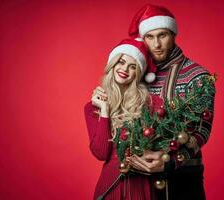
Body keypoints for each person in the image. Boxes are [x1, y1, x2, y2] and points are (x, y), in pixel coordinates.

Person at [126, 4, 216, 200]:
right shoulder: (137, 75)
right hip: (139, 179)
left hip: (183, 180)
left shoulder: (198, 76)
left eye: (162, 35)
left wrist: (171, 160)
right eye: (150, 37)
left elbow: (202, 130)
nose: (156, 44)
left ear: (173, 34)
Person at [84, 38, 156, 200]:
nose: (125, 69)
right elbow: (101, 153)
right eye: (121, 62)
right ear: (113, 64)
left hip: (141, 184)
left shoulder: (149, 104)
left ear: (138, 73)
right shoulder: (92, 108)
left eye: (133, 67)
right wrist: (104, 110)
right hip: (110, 185)